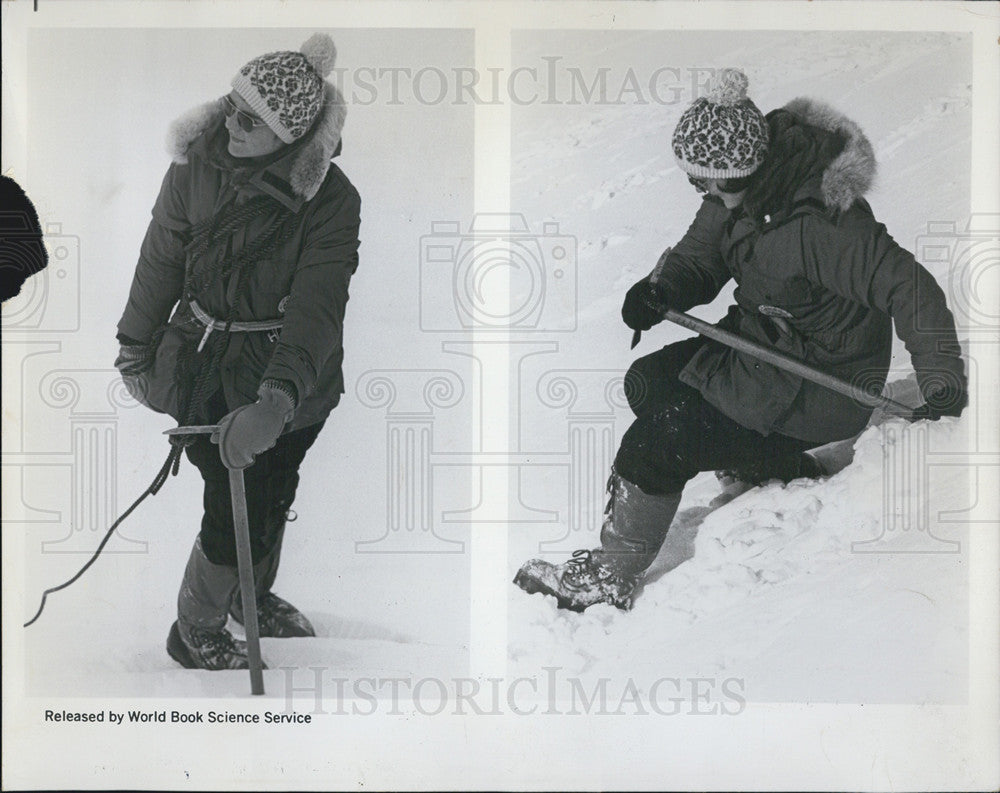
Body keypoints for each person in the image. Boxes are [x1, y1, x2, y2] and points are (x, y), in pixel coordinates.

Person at [514, 68, 967, 612]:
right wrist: (662, 288)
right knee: (649, 382)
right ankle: (769, 463)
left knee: (657, 442)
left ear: (737, 173)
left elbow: (909, 287)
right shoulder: (742, 186)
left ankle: (609, 578)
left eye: (704, 181)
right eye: (694, 181)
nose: (700, 191)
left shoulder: (822, 226)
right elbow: (700, 256)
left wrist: (941, 382)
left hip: (822, 383)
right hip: (765, 349)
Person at [115, 34, 360, 668]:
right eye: (232, 104)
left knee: (274, 489)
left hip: (291, 381)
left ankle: (248, 596)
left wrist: (276, 401)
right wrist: (134, 344)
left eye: (252, 119)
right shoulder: (194, 169)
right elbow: (160, 258)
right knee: (232, 503)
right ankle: (195, 630)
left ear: (290, 135)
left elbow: (317, 306)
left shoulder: (332, 201)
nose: (231, 123)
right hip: (202, 368)